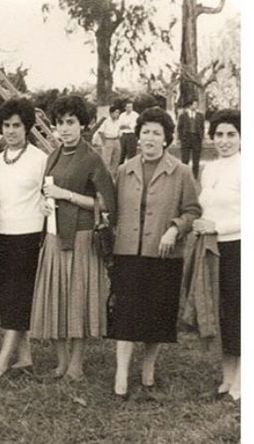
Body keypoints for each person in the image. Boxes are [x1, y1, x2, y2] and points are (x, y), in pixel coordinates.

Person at [108, 106, 201, 398]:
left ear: (166, 139)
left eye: (156, 133)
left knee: (156, 317)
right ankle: (121, 374)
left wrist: (174, 228)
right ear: (138, 136)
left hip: (163, 256)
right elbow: (115, 211)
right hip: (127, 253)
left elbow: (193, 210)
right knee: (125, 315)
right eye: (145, 131)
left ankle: (148, 372)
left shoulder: (182, 172)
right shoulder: (124, 170)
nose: (149, 137)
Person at [30, 95, 116, 381]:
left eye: (71, 122)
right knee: (55, 297)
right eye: (60, 123)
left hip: (81, 237)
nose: (65, 129)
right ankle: (61, 362)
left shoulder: (91, 158)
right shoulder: (53, 155)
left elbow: (106, 204)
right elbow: (47, 191)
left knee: (78, 300)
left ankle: (77, 365)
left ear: (82, 124)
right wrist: (45, 203)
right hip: (54, 235)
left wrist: (67, 196)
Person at [0, 98, 47, 377]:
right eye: (6, 126)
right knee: (7, 295)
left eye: (17, 126)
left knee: (20, 296)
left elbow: (48, 198)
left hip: (29, 234)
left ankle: (4, 356)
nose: (11, 131)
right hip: (2, 233)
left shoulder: (40, 160)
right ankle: (24, 359)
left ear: (27, 128)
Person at [193, 109, 240, 401]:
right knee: (222, 313)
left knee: (240, 312)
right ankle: (227, 378)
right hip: (212, 249)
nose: (224, 141)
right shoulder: (208, 168)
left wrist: (217, 226)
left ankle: (242, 382)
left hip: (239, 246)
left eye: (231, 135)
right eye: (219, 135)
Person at [177, 98, 205, 178]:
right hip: (186, 138)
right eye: (195, 104)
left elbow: (202, 127)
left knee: (196, 159)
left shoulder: (200, 116)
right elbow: (179, 127)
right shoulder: (183, 116)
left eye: (197, 104)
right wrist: (181, 138)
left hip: (196, 138)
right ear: (190, 105)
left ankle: (194, 176)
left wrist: (201, 137)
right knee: (185, 159)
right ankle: (184, 175)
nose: (196, 106)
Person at [92, 105, 122, 169]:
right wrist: (104, 141)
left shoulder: (118, 121)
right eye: (116, 112)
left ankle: (113, 176)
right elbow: (100, 131)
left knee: (116, 159)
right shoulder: (106, 121)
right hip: (108, 140)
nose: (117, 114)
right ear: (111, 113)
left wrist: (118, 137)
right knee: (106, 160)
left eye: (118, 113)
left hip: (116, 140)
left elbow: (119, 130)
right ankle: (106, 176)